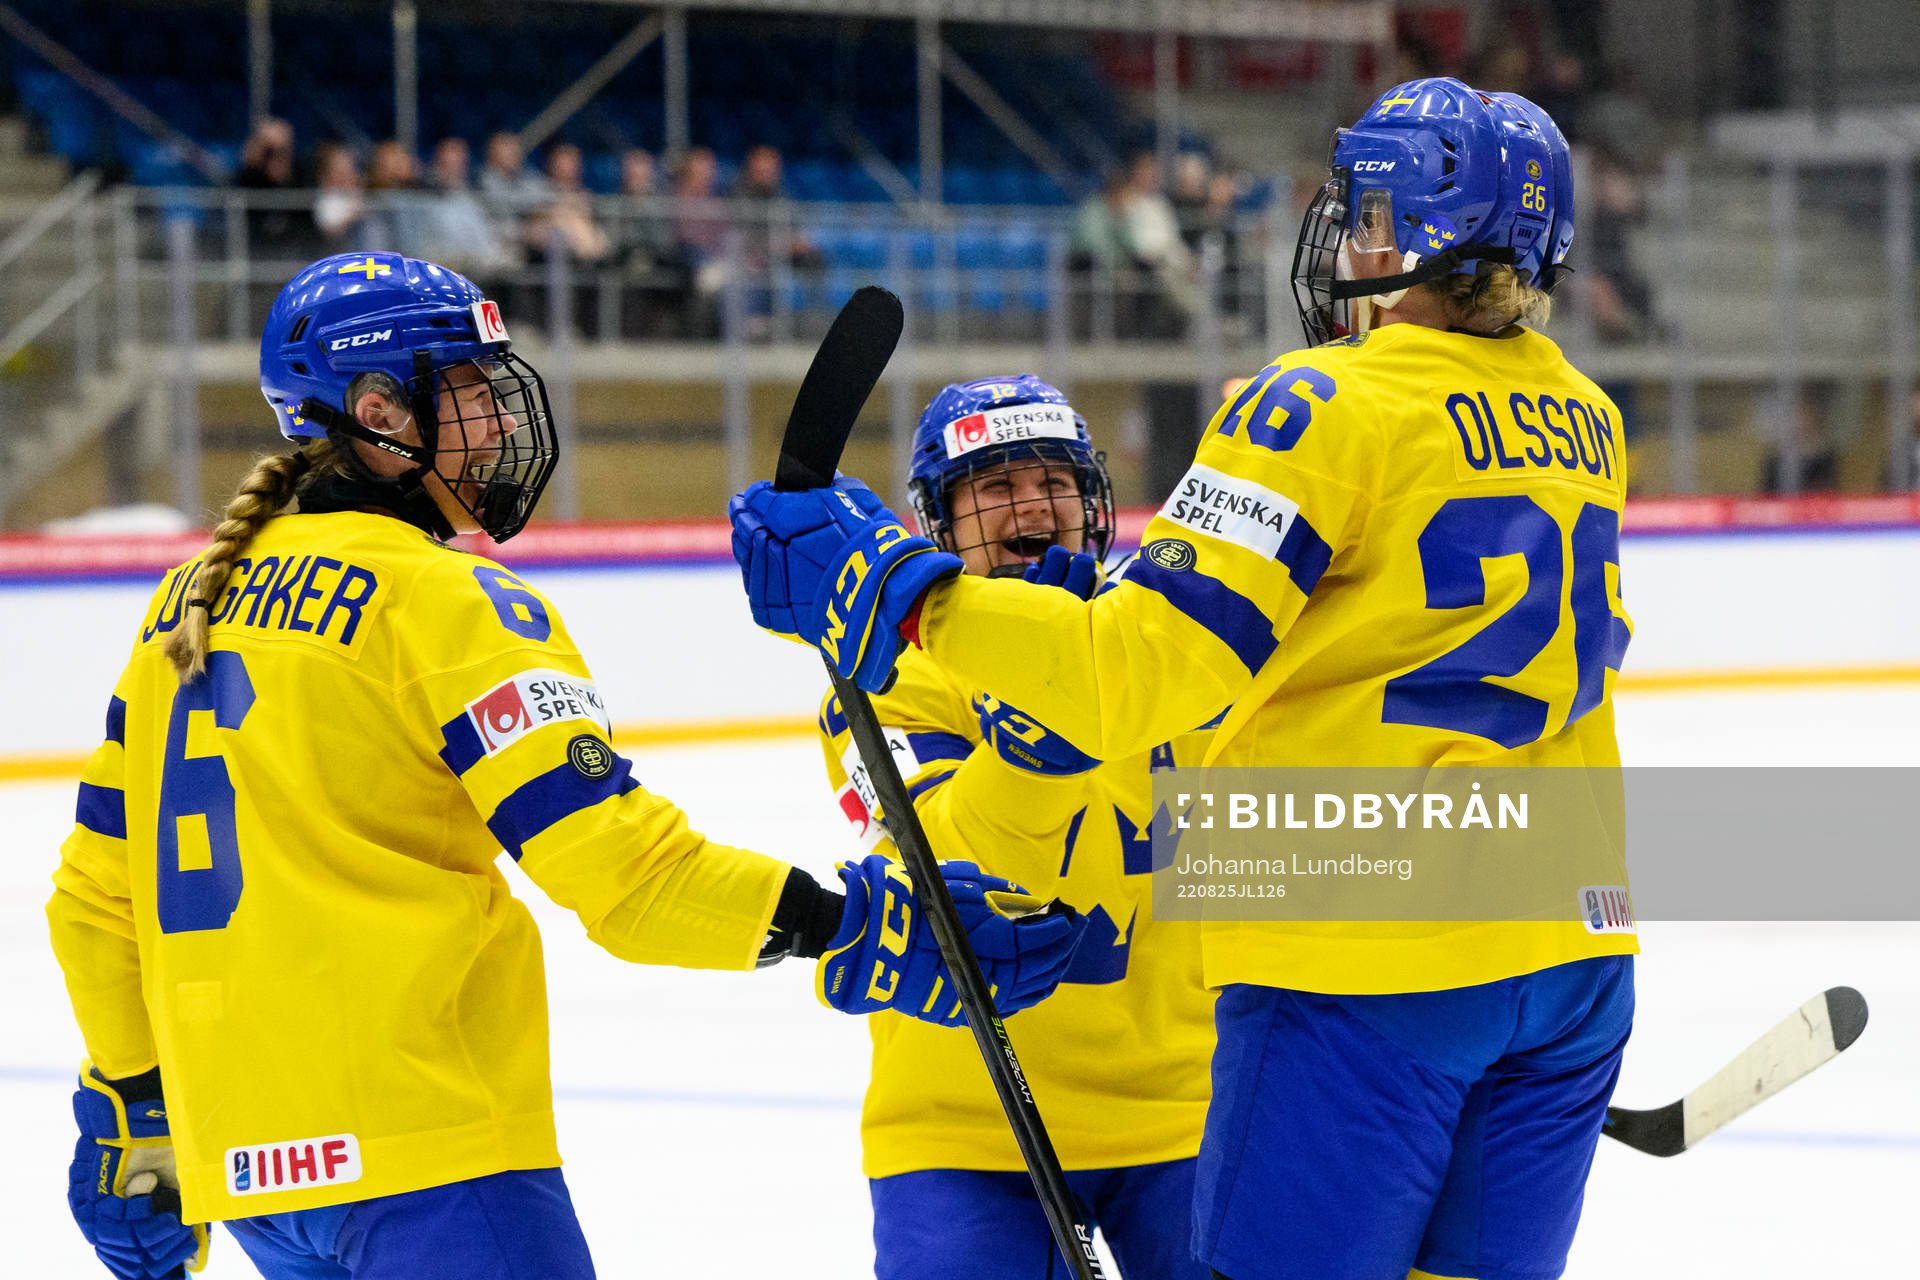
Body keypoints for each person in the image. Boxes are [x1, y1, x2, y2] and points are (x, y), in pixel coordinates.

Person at [730, 77, 1637, 1280]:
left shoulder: (1314, 400)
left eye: (1369, 211)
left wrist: (889, 590)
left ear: (1417, 235)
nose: (1349, 234)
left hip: (1374, 963)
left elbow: (1132, 675)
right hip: (1574, 948)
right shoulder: (1584, 412)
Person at [48, 251, 1085, 1280]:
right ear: (379, 411)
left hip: (253, 1177)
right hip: (429, 1150)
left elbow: (96, 900)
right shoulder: (450, 603)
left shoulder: (183, 602)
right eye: (468, 394)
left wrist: (129, 1104)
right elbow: (627, 879)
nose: (498, 422)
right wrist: (857, 922)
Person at [818, 376, 1216, 1280]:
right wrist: (1042, 711)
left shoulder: (1168, 648)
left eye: (1056, 482)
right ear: (941, 523)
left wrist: (1553, 913)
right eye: (995, 487)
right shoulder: (890, 673)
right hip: (967, 1127)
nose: (1033, 504)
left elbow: (1294, 845)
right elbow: (948, 869)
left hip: (1188, 1109)